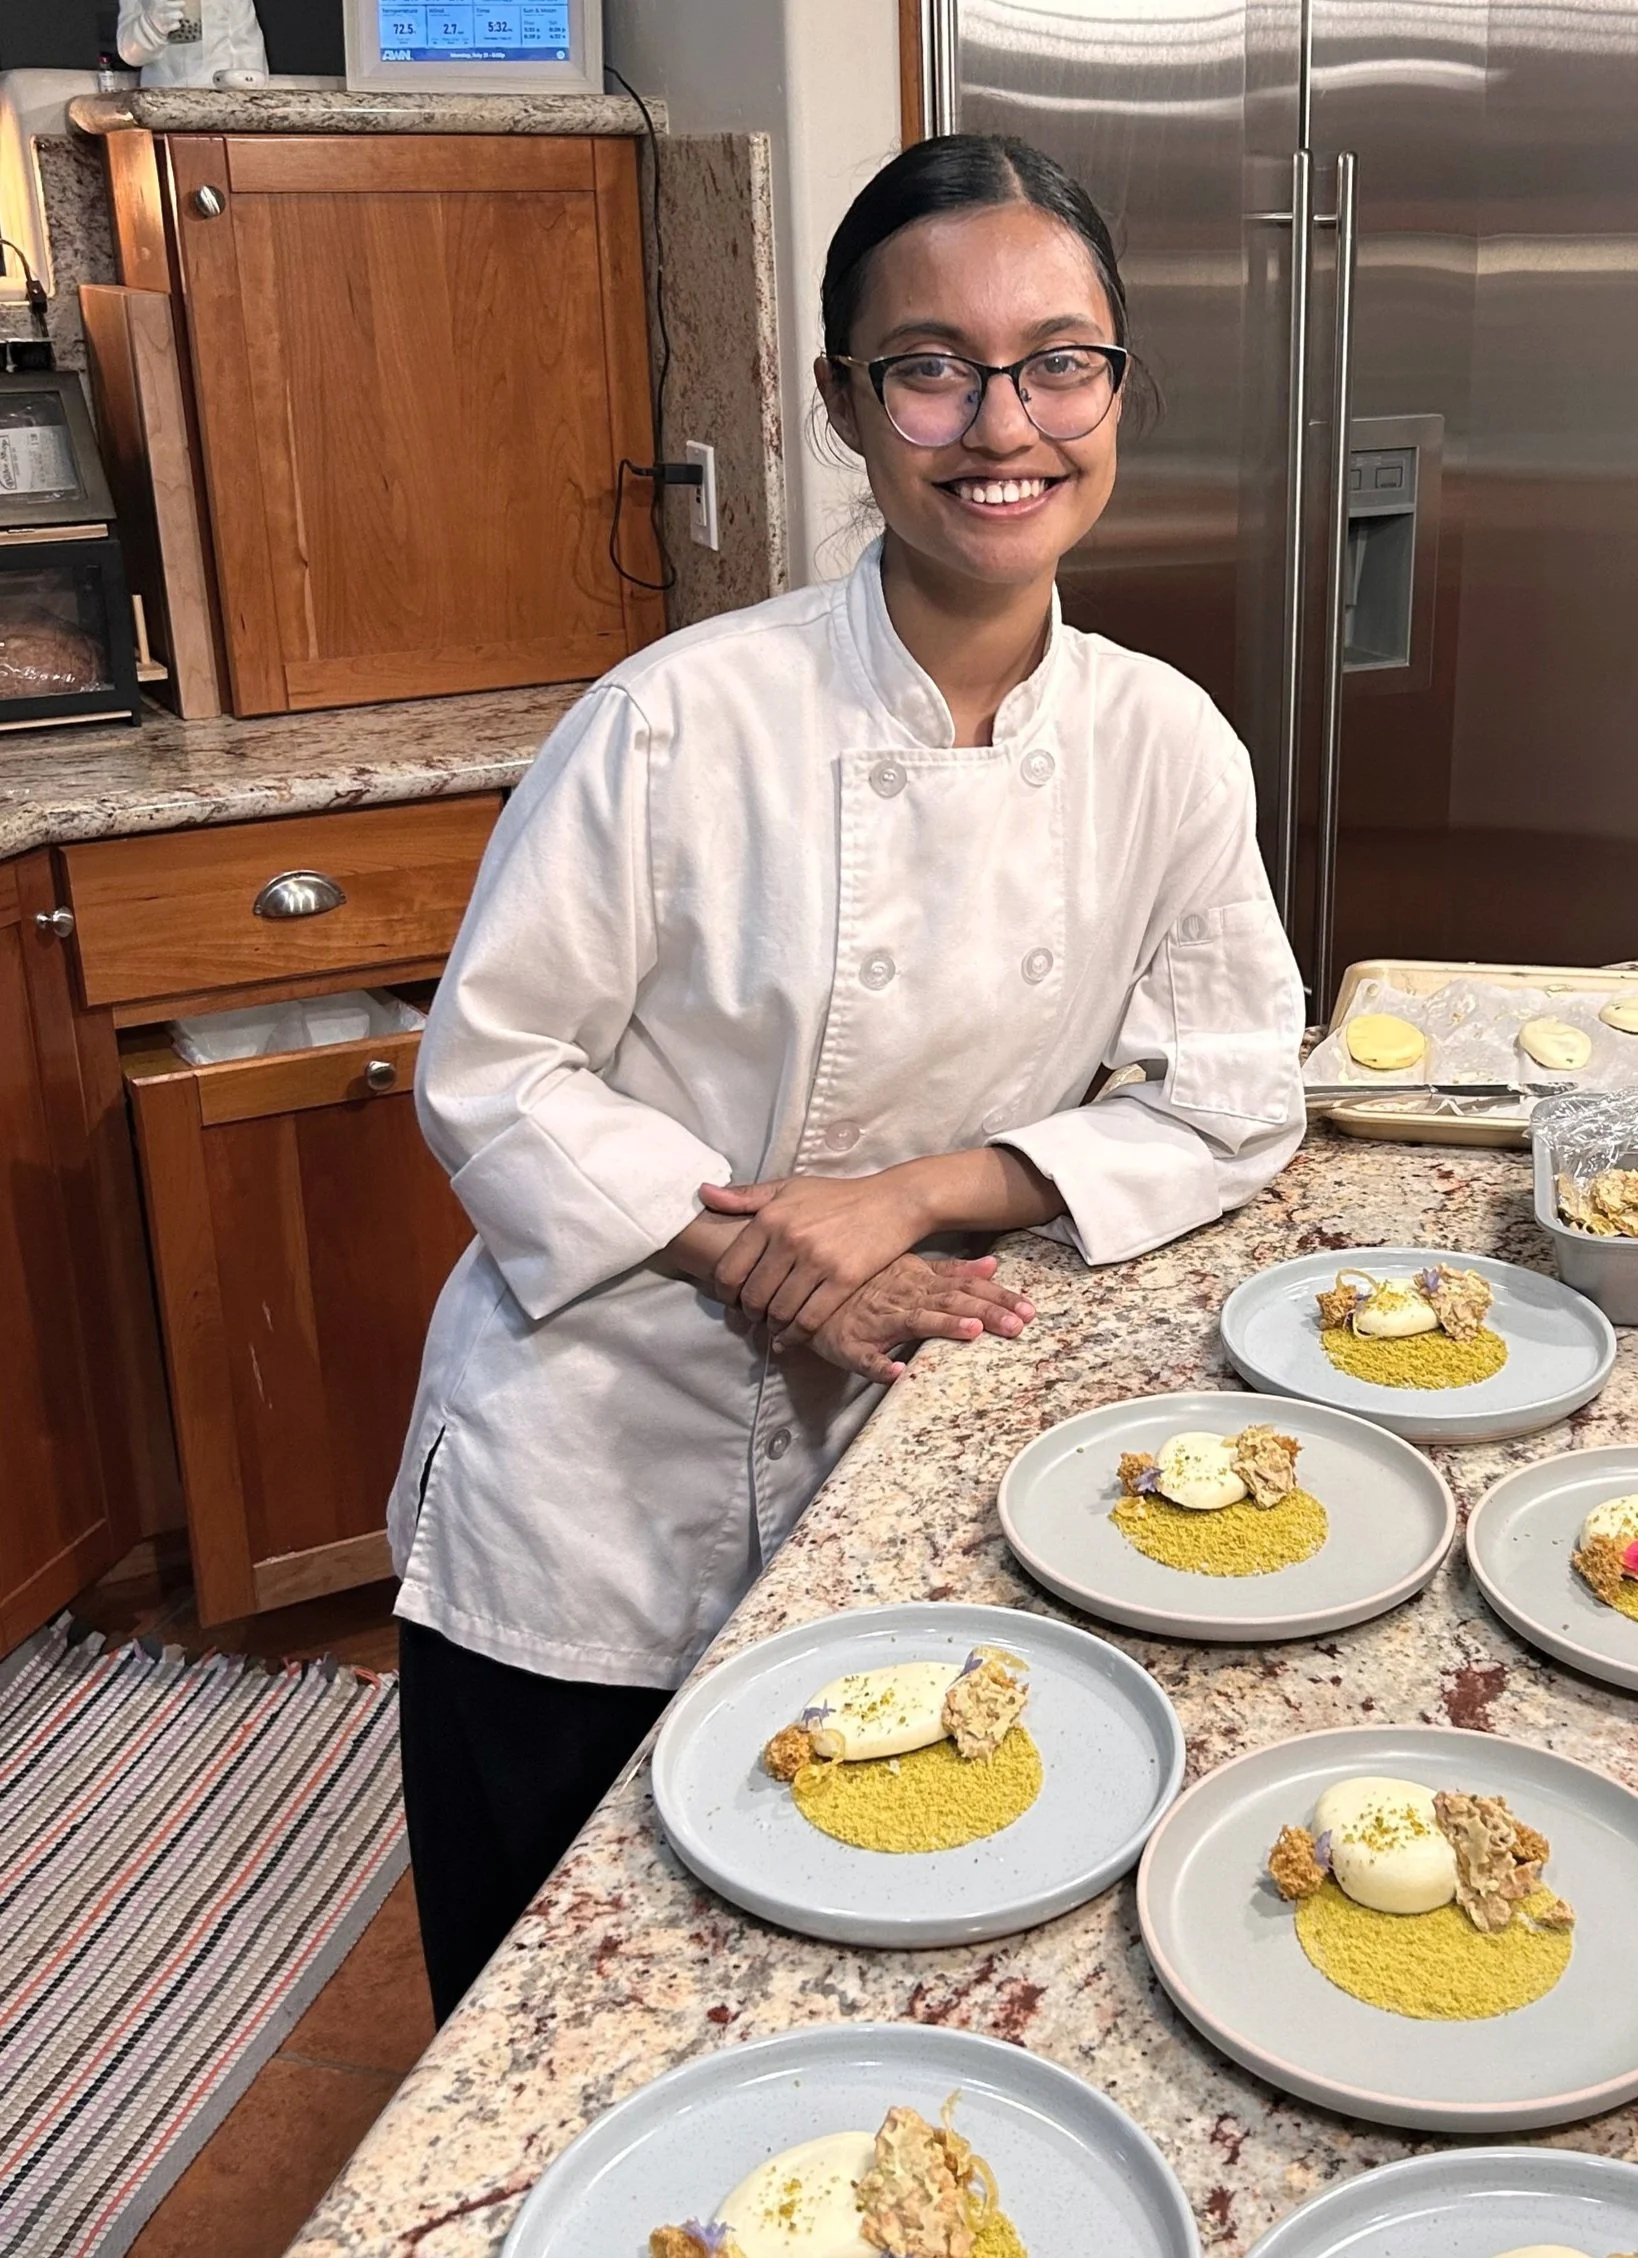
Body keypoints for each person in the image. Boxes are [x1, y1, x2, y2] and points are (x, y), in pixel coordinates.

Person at [388, 132, 1307, 2020]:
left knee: (862, 1981)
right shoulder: (676, 719)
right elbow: (491, 1072)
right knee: (551, 2027)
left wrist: (912, 1196)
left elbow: (1233, 1089)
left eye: (1060, 360)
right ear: (844, 402)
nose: (1003, 423)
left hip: (921, 1443)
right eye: (929, 365)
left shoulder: (1166, 741)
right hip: (599, 1480)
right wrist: (765, 1252)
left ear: (1116, 386)